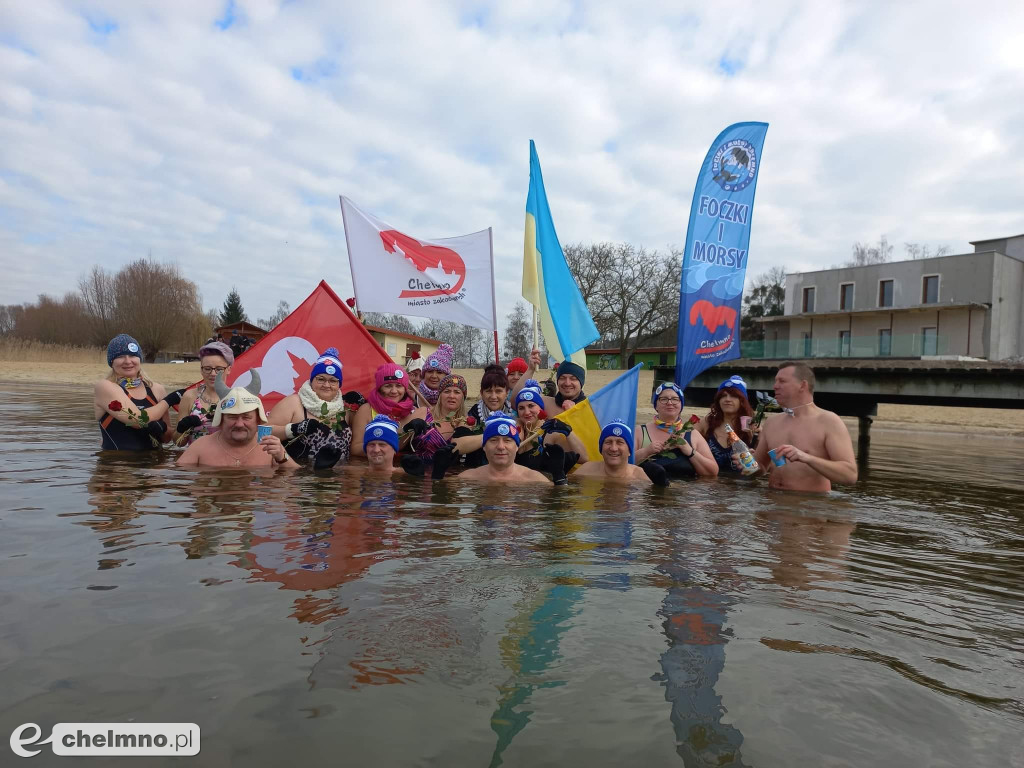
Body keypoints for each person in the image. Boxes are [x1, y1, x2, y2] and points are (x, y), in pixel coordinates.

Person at [753, 362, 858, 492]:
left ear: (802, 385)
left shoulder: (829, 421)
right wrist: (746, 462)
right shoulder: (772, 422)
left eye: (782, 381)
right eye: (775, 381)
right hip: (771, 499)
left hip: (810, 501)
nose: (775, 386)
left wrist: (806, 458)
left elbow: (850, 476)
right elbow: (760, 467)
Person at [177, 371, 296, 468]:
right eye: (232, 417)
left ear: (258, 420)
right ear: (221, 420)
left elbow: (294, 482)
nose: (239, 424)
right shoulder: (200, 447)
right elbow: (180, 481)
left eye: (246, 417)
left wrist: (282, 458)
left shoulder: (271, 448)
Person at [95, 333, 185, 450]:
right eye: (120, 356)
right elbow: (136, 419)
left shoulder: (157, 389)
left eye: (132, 355)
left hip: (153, 460)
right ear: (111, 362)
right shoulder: (104, 387)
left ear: (139, 359)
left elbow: (167, 439)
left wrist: (163, 429)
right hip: (116, 460)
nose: (128, 361)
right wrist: (168, 401)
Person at [267, 346, 352, 469]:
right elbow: (262, 433)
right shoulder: (294, 403)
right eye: (321, 379)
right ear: (311, 380)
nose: (326, 385)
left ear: (339, 384)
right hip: (297, 475)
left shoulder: (345, 409)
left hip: (338, 477)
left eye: (333, 381)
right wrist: (293, 429)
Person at [635, 383, 718, 478]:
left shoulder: (693, 434)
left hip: (684, 486)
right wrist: (646, 451)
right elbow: (623, 464)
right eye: (664, 399)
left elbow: (713, 473)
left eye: (675, 399)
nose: (670, 403)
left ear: (681, 405)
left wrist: (690, 451)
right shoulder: (640, 432)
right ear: (656, 405)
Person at [512, 384, 587, 483]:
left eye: (531, 406)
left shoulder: (551, 434)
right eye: (521, 408)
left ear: (541, 408)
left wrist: (568, 432)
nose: (526, 412)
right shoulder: (516, 430)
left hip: (546, 489)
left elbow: (583, 458)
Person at [350, 363, 427, 456]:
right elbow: (355, 448)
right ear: (380, 388)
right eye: (388, 386)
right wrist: (381, 447)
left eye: (398, 386)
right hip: (374, 464)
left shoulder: (414, 411)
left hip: (405, 465)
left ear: (405, 388)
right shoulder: (367, 410)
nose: (394, 391)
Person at [459, 415, 551, 484]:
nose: (501, 446)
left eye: (507, 440)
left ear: (516, 446)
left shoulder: (536, 480)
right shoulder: (467, 478)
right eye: (494, 440)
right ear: (484, 447)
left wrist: (558, 480)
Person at [174, 341, 234, 445]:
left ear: (228, 370)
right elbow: (178, 443)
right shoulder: (190, 397)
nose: (213, 373)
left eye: (219, 369)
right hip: (195, 454)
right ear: (201, 370)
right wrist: (182, 429)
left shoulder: (236, 398)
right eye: (207, 369)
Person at [698, 376, 757, 474]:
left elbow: (765, 465)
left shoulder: (751, 426)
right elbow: (685, 439)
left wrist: (756, 439)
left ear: (742, 401)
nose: (727, 399)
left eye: (733, 396)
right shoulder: (707, 423)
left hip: (742, 482)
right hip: (710, 481)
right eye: (723, 396)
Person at [512, 348, 588, 415]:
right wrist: (530, 369)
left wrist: (573, 413)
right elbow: (516, 403)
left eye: (573, 379)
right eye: (562, 378)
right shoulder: (545, 403)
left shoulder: (590, 407)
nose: (567, 383)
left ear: (581, 382)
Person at [572, 421, 652, 485]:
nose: (613, 448)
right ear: (601, 449)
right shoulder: (586, 470)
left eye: (620, 442)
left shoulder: (638, 476)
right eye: (608, 442)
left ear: (629, 451)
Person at [417, 343, 455, 407]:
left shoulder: (453, 400)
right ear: (424, 374)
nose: (434, 376)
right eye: (430, 371)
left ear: (447, 376)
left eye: (439, 372)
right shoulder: (412, 397)